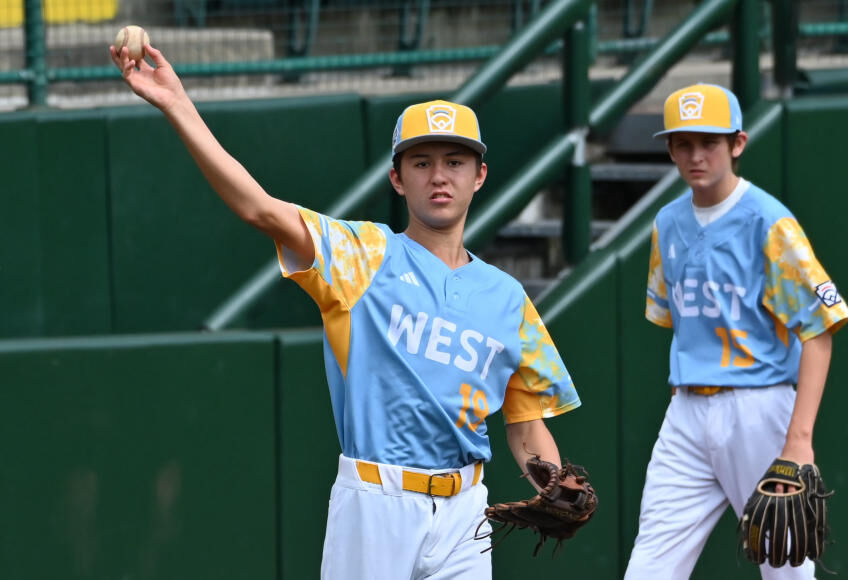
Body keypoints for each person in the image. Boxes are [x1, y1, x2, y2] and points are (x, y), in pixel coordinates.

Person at [110, 42, 582, 579]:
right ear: (398, 178)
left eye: (455, 161)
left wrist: (554, 480)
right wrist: (177, 104)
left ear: (479, 176)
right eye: (421, 162)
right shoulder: (363, 255)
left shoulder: (507, 298)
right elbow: (259, 208)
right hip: (377, 500)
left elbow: (525, 424)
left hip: (466, 511)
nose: (439, 176)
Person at [625, 83, 848, 579]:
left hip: (759, 405)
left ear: (738, 143)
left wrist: (799, 443)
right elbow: (672, 319)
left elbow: (819, 329)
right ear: (669, 149)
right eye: (684, 143)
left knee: (787, 568)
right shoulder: (666, 223)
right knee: (649, 568)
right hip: (685, 411)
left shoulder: (768, 222)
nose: (696, 154)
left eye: (710, 142)